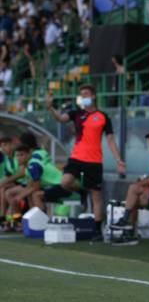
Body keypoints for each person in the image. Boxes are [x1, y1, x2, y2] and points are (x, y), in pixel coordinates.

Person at [46, 85, 126, 241]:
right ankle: (81, 191)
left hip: (94, 161)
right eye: (81, 94)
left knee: (96, 196)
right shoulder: (76, 113)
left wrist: (119, 160)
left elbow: (110, 140)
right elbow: (61, 119)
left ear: (94, 96)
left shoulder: (103, 117)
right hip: (76, 158)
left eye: (86, 94)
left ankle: (97, 230)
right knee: (65, 181)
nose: (83, 97)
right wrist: (50, 108)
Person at [9, 144, 62, 213]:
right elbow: (30, 186)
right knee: (30, 194)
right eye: (17, 155)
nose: (19, 158)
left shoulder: (33, 165)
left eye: (21, 155)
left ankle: (42, 219)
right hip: (53, 186)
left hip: (61, 185)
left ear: (29, 155)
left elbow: (36, 187)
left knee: (36, 194)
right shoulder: (28, 168)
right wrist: (18, 197)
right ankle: (32, 218)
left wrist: (20, 197)